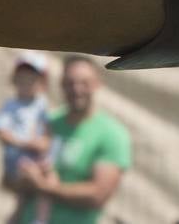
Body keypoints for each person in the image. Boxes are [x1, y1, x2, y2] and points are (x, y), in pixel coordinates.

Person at [13, 55, 132, 224]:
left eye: (84, 83)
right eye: (70, 83)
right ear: (61, 84)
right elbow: (14, 182)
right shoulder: (48, 123)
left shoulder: (112, 134)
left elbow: (98, 195)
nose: (76, 89)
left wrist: (43, 186)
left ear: (98, 83)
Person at [0, 51, 53, 224]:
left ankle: (38, 218)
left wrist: (42, 144)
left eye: (31, 79)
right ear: (14, 80)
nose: (26, 84)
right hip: (17, 160)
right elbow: (0, 131)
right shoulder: (10, 105)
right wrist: (24, 143)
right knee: (33, 186)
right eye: (22, 79)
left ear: (42, 83)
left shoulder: (42, 104)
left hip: (35, 158)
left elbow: (48, 134)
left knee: (41, 186)